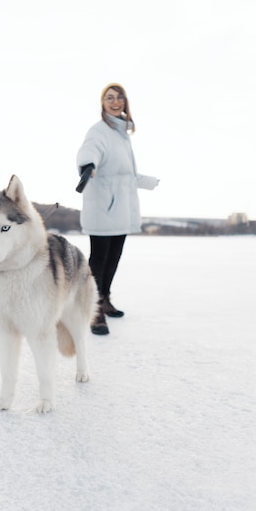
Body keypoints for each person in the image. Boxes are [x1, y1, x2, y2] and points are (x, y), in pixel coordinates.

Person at [76, 83, 159, 335]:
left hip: (120, 207)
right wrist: (88, 165)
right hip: (103, 206)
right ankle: (93, 309)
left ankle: (104, 298)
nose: (115, 101)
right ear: (102, 103)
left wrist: (149, 182)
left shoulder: (121, 133)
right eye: (109, 98)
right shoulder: (99, 131)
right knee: (99, 259)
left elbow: (124, 174)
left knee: (113, 258)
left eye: (120, 97)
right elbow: (90, 150)